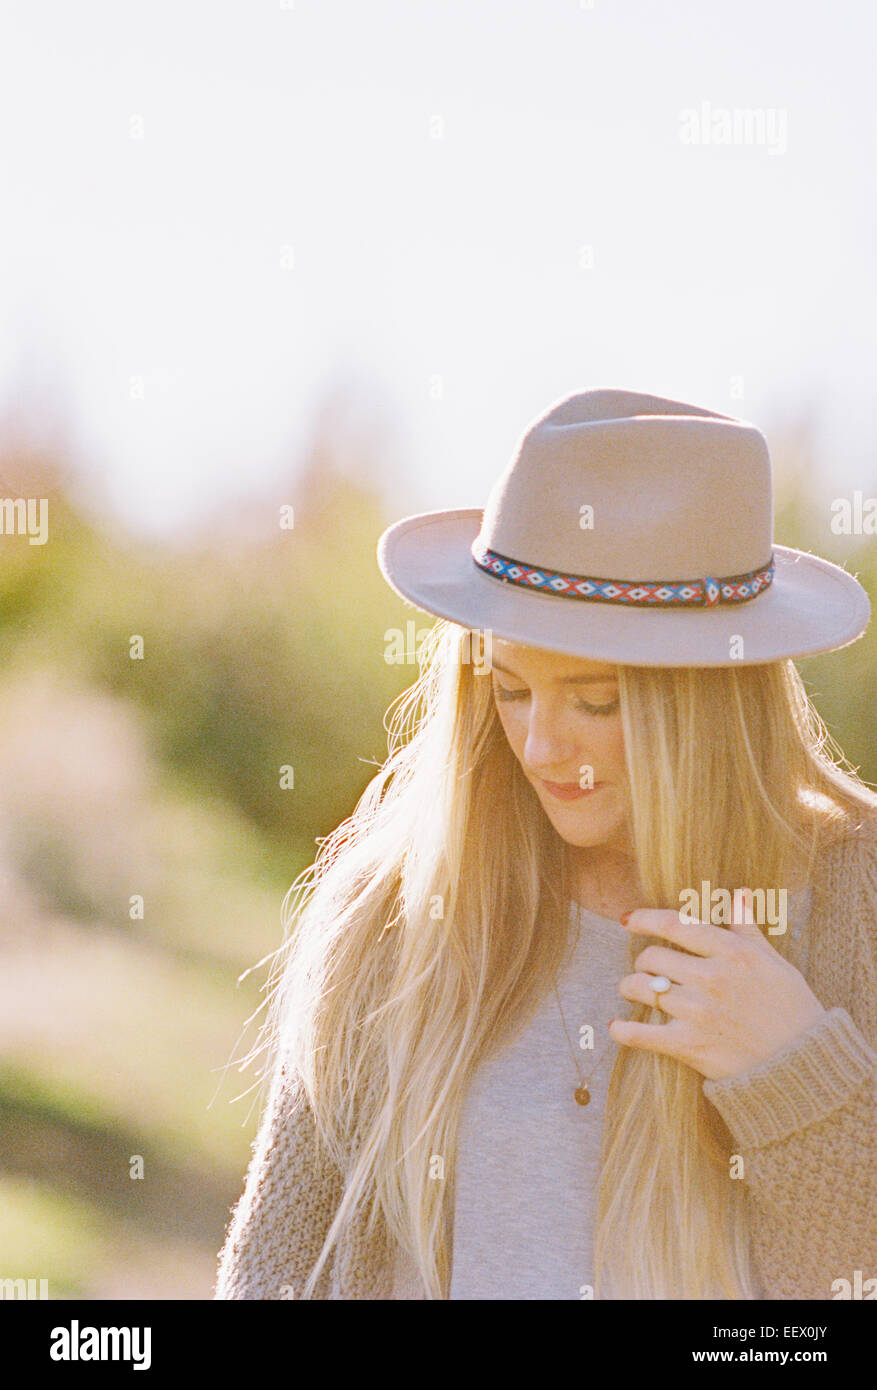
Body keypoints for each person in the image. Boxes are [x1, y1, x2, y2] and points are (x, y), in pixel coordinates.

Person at [214, 389, 877, 1300]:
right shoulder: (395, 905)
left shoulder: (854, 900)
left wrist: (796, 1077)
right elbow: (274, 1272)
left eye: (595, 701)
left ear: (709, 700)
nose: (539, 747)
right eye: (511, 687)